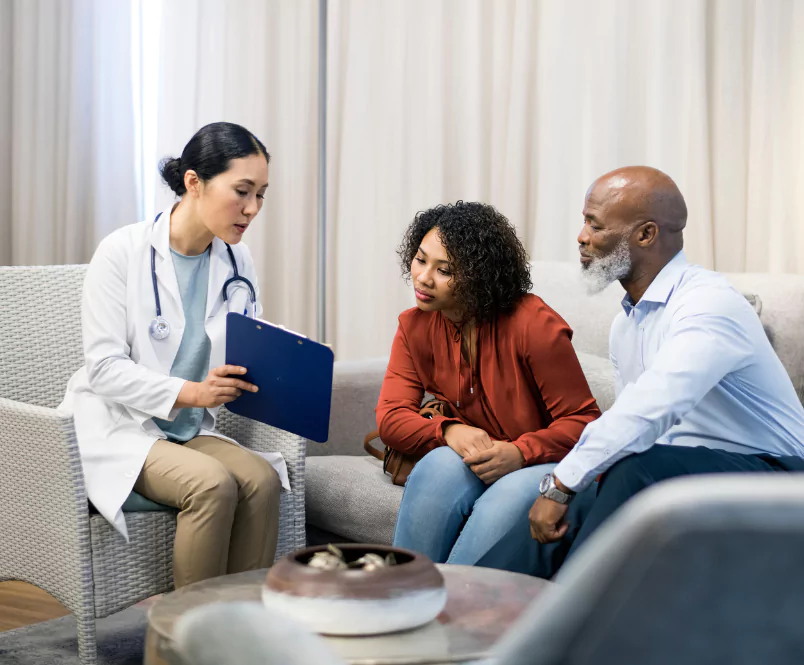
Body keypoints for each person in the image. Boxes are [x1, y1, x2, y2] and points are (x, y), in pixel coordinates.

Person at [524, 166, 804, 576]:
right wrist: (573, 486)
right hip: (693, 469)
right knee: (584, 494)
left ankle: (576, 625)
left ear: (646, 235)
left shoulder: (708, 303)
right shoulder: (627, 325)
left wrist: (562, 482)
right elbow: (638, 432)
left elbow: (652, 406)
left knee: (627, 472)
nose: (581, 237)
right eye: (584, 221)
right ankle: (470, 614)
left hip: (780, 478)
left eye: (594, 224)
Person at [59, 121, 282, 587]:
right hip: (119, 426)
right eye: (242, 191)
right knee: (212, 484)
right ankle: (185, 642)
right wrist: (195, 391)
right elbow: (103, 369)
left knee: (261, 480)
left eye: (261, 194)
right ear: (194, 182)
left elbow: (245, 347)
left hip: (185, 430)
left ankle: (240, 636)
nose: (252, 208)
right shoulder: (122, 252)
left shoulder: (239, 263)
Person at [377, 201, 601, 571]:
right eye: (420, 260)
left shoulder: (534, 324)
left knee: (505, 496)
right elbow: (390, 417)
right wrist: (448, 430)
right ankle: (400, 596)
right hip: (476, 457)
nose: (423, 278)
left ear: (479, 276)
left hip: (544, 463)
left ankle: (457, 617)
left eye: (444, 270)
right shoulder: (414, 326)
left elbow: (585, 422)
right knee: (435, 469)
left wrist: (520, 452)